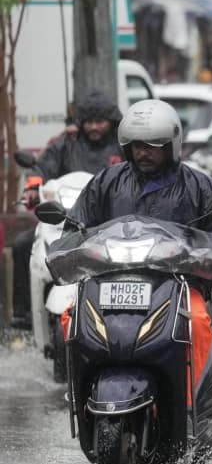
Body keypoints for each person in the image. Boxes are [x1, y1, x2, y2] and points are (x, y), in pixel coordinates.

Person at [61, 98, 212, 411]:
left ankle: (193, 405)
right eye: (136, 145)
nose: (143, 152)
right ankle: (81, 397)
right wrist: (72, 248)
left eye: (153, 145)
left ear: (171, 146)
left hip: (176, 287)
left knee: (198, 322)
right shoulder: (107, 182)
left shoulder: (198, 186)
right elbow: (77, 225)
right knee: (71, 316)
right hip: (113, 285)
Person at [10, 89, 123, 329]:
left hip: (112, 223)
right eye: (89, 122)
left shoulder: (123, 145)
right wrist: (33, 188)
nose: (94, 127)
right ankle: (23, 316)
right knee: (22, 245)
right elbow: (40, 169)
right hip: (64, 223)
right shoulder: (65, 143)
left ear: (111, 122)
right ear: (80, 122)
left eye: (100, 122)